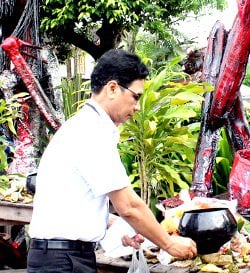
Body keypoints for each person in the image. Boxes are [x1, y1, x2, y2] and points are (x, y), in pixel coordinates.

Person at [27, 49, 197, 273]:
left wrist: (116, 226)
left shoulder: (82, 126)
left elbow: (71, 201)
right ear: (113, 88)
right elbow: (129, 206)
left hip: (60, 257)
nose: (137, 107)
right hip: (63, 261)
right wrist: (169, 243)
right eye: (136, 96)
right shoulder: (92, 131)